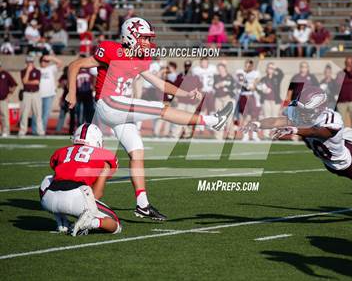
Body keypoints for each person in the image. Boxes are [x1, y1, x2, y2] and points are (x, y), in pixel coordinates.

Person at [65, 17, 233, 221]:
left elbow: (160, 85)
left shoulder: (141, 59)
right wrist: (71, 93)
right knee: (161, 109)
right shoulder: (110, 50)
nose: (147, 42)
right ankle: (213, 121)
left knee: (137, 152)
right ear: (130, 36)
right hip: (108, 103)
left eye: (148, 38)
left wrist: (186, 93)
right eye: (143, 38)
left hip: (120, 109)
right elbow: (74, 65)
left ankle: (142, 204)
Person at [242, 86, 352, 206]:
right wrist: (257, 124)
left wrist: (296, 130)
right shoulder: (302, 114)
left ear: (318, 109)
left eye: (305, 110)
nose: (300, 113)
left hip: (346, 161)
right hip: (330, 161)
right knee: (338, 169)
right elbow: (277, 121)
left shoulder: (331, 119)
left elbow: (319, 132)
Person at [40, 123, 121, 236]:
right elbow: (97, 194)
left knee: (48, 179)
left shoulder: (61, 152)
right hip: (77, 197)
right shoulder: (104, 155)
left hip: (49, 200)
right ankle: (92, 222)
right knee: (115, 224)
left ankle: (61, 219)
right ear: (97, 140)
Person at [32, 55, 63, 134]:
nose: (45, 62)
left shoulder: (51, 69)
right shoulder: (37, 69)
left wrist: (51, 58)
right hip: (37, 95)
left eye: (46, 61)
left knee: (45, 115)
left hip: (49, 95)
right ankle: (34, 131)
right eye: (43, 60)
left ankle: (42, 131)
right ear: (40, 61)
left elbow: (60, 63)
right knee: (36, 114)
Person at [18, 56, 44, 136]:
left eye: (31, 62)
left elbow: (37, 82)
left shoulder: (37, 71)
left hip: (36, 93)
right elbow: (24, 81)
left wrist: (28, 82)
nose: (30, 64)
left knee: (38, 113)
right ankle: (22, 131)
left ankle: (40, 131)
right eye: (28, 62)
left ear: (33, 62)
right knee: (24, 113)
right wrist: (28, 72)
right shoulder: (23, 71)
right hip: (27, 93)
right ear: (26, 62)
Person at [236, 59, 261, 141]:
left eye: (249, 65)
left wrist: (252, 85)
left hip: (252, 96)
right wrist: (246, 85)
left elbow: (255, 84)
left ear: (252, 66)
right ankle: (245, 135)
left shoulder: (255, 73)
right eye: (246, 65)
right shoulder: (240, 72)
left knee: (254, 116)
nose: (248, 67)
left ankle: (254, 135)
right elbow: (239, 82)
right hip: (243, 96)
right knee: (244, 117)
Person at [336, 56, 352, 131]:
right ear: (345, 63)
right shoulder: (340, 73)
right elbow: (338, 83)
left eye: (350, 62)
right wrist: (350, 81)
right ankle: (340, 139)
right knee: (340, 123)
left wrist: (349, 72)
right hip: (341, 101)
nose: (348, 64)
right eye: (347, 62)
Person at [258, 62, 283, 139]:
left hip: (275, 101)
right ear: (266, 69)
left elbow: (281, 74)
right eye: (269, 68)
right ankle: (266, 135)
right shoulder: (263, 79)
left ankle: (274, 135)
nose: (270, 69)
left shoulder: (277, 78)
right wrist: (263, 91)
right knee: (267, 117)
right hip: (266, 101)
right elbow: (259, 89)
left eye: (272, 68)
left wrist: (276, 68)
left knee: (275, 118)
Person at [213, 63, 236, 140]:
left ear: (225, 68)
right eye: (219, 69)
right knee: (218, 117)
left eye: (222, 68)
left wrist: (226, 86)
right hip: (218, 98)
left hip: (227, 98)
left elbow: (233, 87)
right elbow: (214, 86)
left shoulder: (230, 77)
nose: (220, 70)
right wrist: (218, 85)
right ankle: (218, 136)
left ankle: (231, 135)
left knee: (228, 117)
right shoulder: (216, 77)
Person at [0, 61, 17, 137]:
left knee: (4, 115)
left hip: (3, 99)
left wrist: (9, 94)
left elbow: (14, 85)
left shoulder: (5, 74)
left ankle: (6, 131)